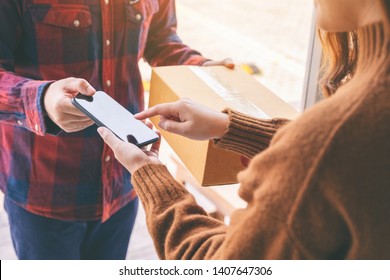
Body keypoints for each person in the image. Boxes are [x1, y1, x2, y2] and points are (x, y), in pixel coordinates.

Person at [98, 0, 390, 259]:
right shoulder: (347, 131)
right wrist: (231, 127)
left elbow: (216, 263)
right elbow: (340, 158)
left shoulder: (326, 143)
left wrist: (149, 173)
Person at [0, 0, 232, 260]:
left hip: (125, 181)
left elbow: (161, 38)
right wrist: (41, 99)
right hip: (43, 189)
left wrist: (200, 67)